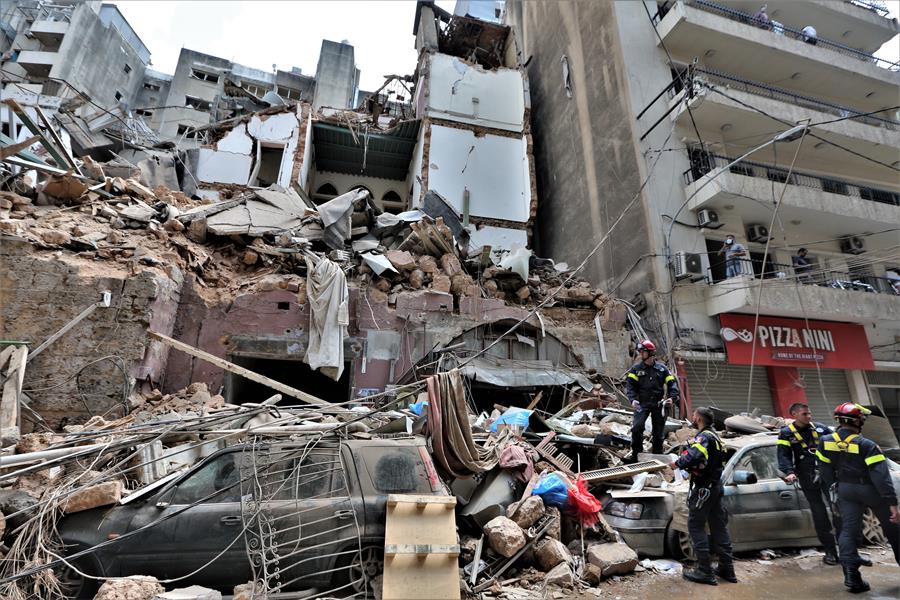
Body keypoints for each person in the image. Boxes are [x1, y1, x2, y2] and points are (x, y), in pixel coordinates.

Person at [817, 403, 900, 593]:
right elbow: (881, 477)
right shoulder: (868, 445)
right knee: (893, 529)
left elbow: (825, 471)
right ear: (858, 421)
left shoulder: (825, 441)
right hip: (870, 490)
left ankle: (852, 578)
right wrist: (892, 504)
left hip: (845, 490)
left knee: (848, 531)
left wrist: (834, 494)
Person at [673, 407, 736, 585]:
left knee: (695, 527)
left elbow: (694, 455)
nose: (692, 418)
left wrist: (677, 464)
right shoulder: (716, 437)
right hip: (715, 487)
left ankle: (704, 571)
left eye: (694, 416)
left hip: (704, 489)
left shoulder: (704, 437)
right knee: (719, 527)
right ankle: (727, 569)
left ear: (699, 418)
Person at [777, 403, 838, 565]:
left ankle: (848, 550)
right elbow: (783, 456)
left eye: (809, 413)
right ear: (795, 414)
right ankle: (830, 551)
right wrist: (789, 472)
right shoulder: (786, 433)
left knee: (839, 510)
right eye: (805, 414)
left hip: (827, 475)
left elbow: (837, 447)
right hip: (807, 477)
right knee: (819, 514)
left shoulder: (821, 428)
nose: (809, 416)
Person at [625, 339, 680, 460]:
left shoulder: (662, 369)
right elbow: (630, 387)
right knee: (637, 428)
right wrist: (633, 400)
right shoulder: (636, 369)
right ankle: (637, 456)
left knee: (658, 433)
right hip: (641, 404)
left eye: (643, 351)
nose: (640, 354)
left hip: (658, 405)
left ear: (650, 353)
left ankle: (657, 458)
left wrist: (672, 398)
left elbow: (672, 385)